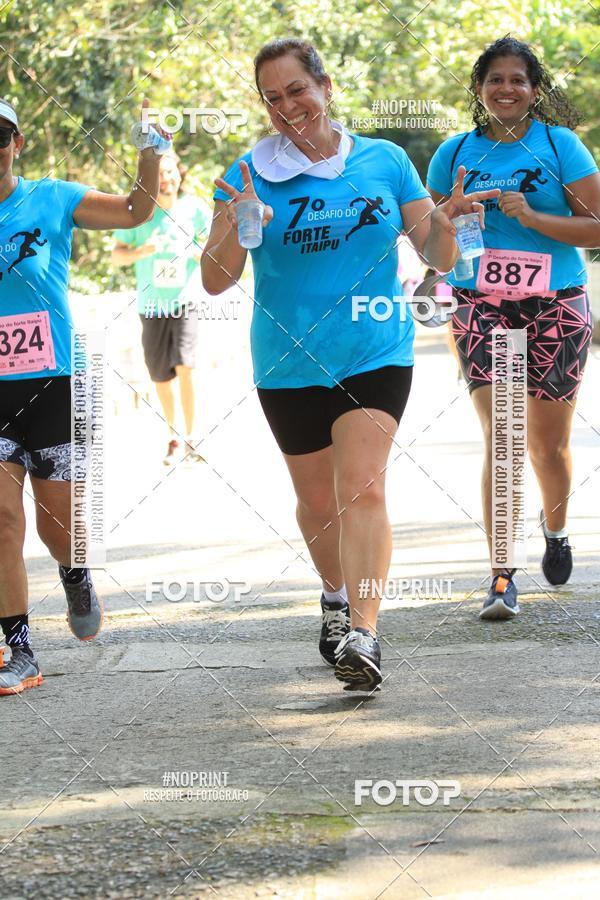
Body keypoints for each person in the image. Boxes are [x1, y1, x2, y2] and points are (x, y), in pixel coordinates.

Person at [201, 38, 497, 690]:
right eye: (272, 99)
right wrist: (229, 220)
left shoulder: (385, 162)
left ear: (325, 86)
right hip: (286, 359)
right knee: (316, 503)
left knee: (362, 486)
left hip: (374, 348)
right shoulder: (244, 173)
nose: (287, 107)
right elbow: (217, 279)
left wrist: (448, 219)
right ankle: (334, 595)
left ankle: (364, 629)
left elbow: (440, 257)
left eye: (297, 91)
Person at [427, 37, 600, 620]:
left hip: (556, 304)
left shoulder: (561, 145)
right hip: (483, 305)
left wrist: (531, 217)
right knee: (502, 438)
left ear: (535, 89)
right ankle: (501, 574)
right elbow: (433, 251)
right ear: (479, 88)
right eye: (495, 78)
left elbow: (596, 227)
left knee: (547, 447)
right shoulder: (453, 153)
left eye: (518, 79)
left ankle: (556, 530)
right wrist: (448, 218)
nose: (506, 88)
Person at [0, 97, 165, 694]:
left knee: (57, 523)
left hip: (52, 382)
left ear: (17, 143)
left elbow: (134, 210)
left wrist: (151, 148)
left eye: (1, 134)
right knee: (1, 518)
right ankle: (20, 651)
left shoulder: (54, 197)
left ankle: (75, 573)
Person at [112, 151, 211, 466]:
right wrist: (143, 250)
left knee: (186, 365)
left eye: (171, 172)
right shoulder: (141, 214)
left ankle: (192, 437)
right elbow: (118, 256)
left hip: (186, 301)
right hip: (151, 305)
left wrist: (195, 252)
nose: (167, 179)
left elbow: (212, 247)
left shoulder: (194, 209)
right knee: (161, 376)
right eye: (161, 173)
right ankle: (174, 435)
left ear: (179, 175)